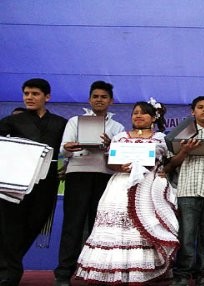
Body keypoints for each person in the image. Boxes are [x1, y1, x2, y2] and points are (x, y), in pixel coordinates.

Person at [75, 101, 179, 284]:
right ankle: (113, 269)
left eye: (143, 113)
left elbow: (168, 163)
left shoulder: (161, 138)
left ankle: (142, 270)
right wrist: (120, 167)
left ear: (154, 117)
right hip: (120, 184)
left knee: (144, 223)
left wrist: (165, 169)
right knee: (117, 222)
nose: (138, 116)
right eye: (135, 113)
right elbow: (110, 162)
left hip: (148, 185)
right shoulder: (121, 137)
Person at [53, 81, 125, 286]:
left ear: (110, 101)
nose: (99, 100)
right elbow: (63, 150)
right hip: (78, 174)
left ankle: (97, 272)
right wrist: (71, 146)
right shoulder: (75, 121)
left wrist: (111, 146)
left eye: (103, 97)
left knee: (99, 226)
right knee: (72, 225)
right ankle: (63, 273)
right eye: (95, 96)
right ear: (89, 99)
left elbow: (119, 157)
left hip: (105, 176)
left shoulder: (117, 127)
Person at [0, 78, 67, 286]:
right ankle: (9, 272)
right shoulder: (11, 121)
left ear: (47, 97)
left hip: (46, 183)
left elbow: (67, 150)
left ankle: (12, 263)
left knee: (36, 223)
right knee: (9, 227)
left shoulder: (60, 123)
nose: (29, 97)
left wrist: (67, 165)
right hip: (15, 182)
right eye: (26, 94)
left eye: (35, 94)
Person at [169, 96, 204, 286]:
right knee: (186, 236)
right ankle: (182, 275)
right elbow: (170, 164)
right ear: (192, 112)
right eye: (200, 107)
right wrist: (184, 151)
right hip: (187, 190)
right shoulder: (182, 134)